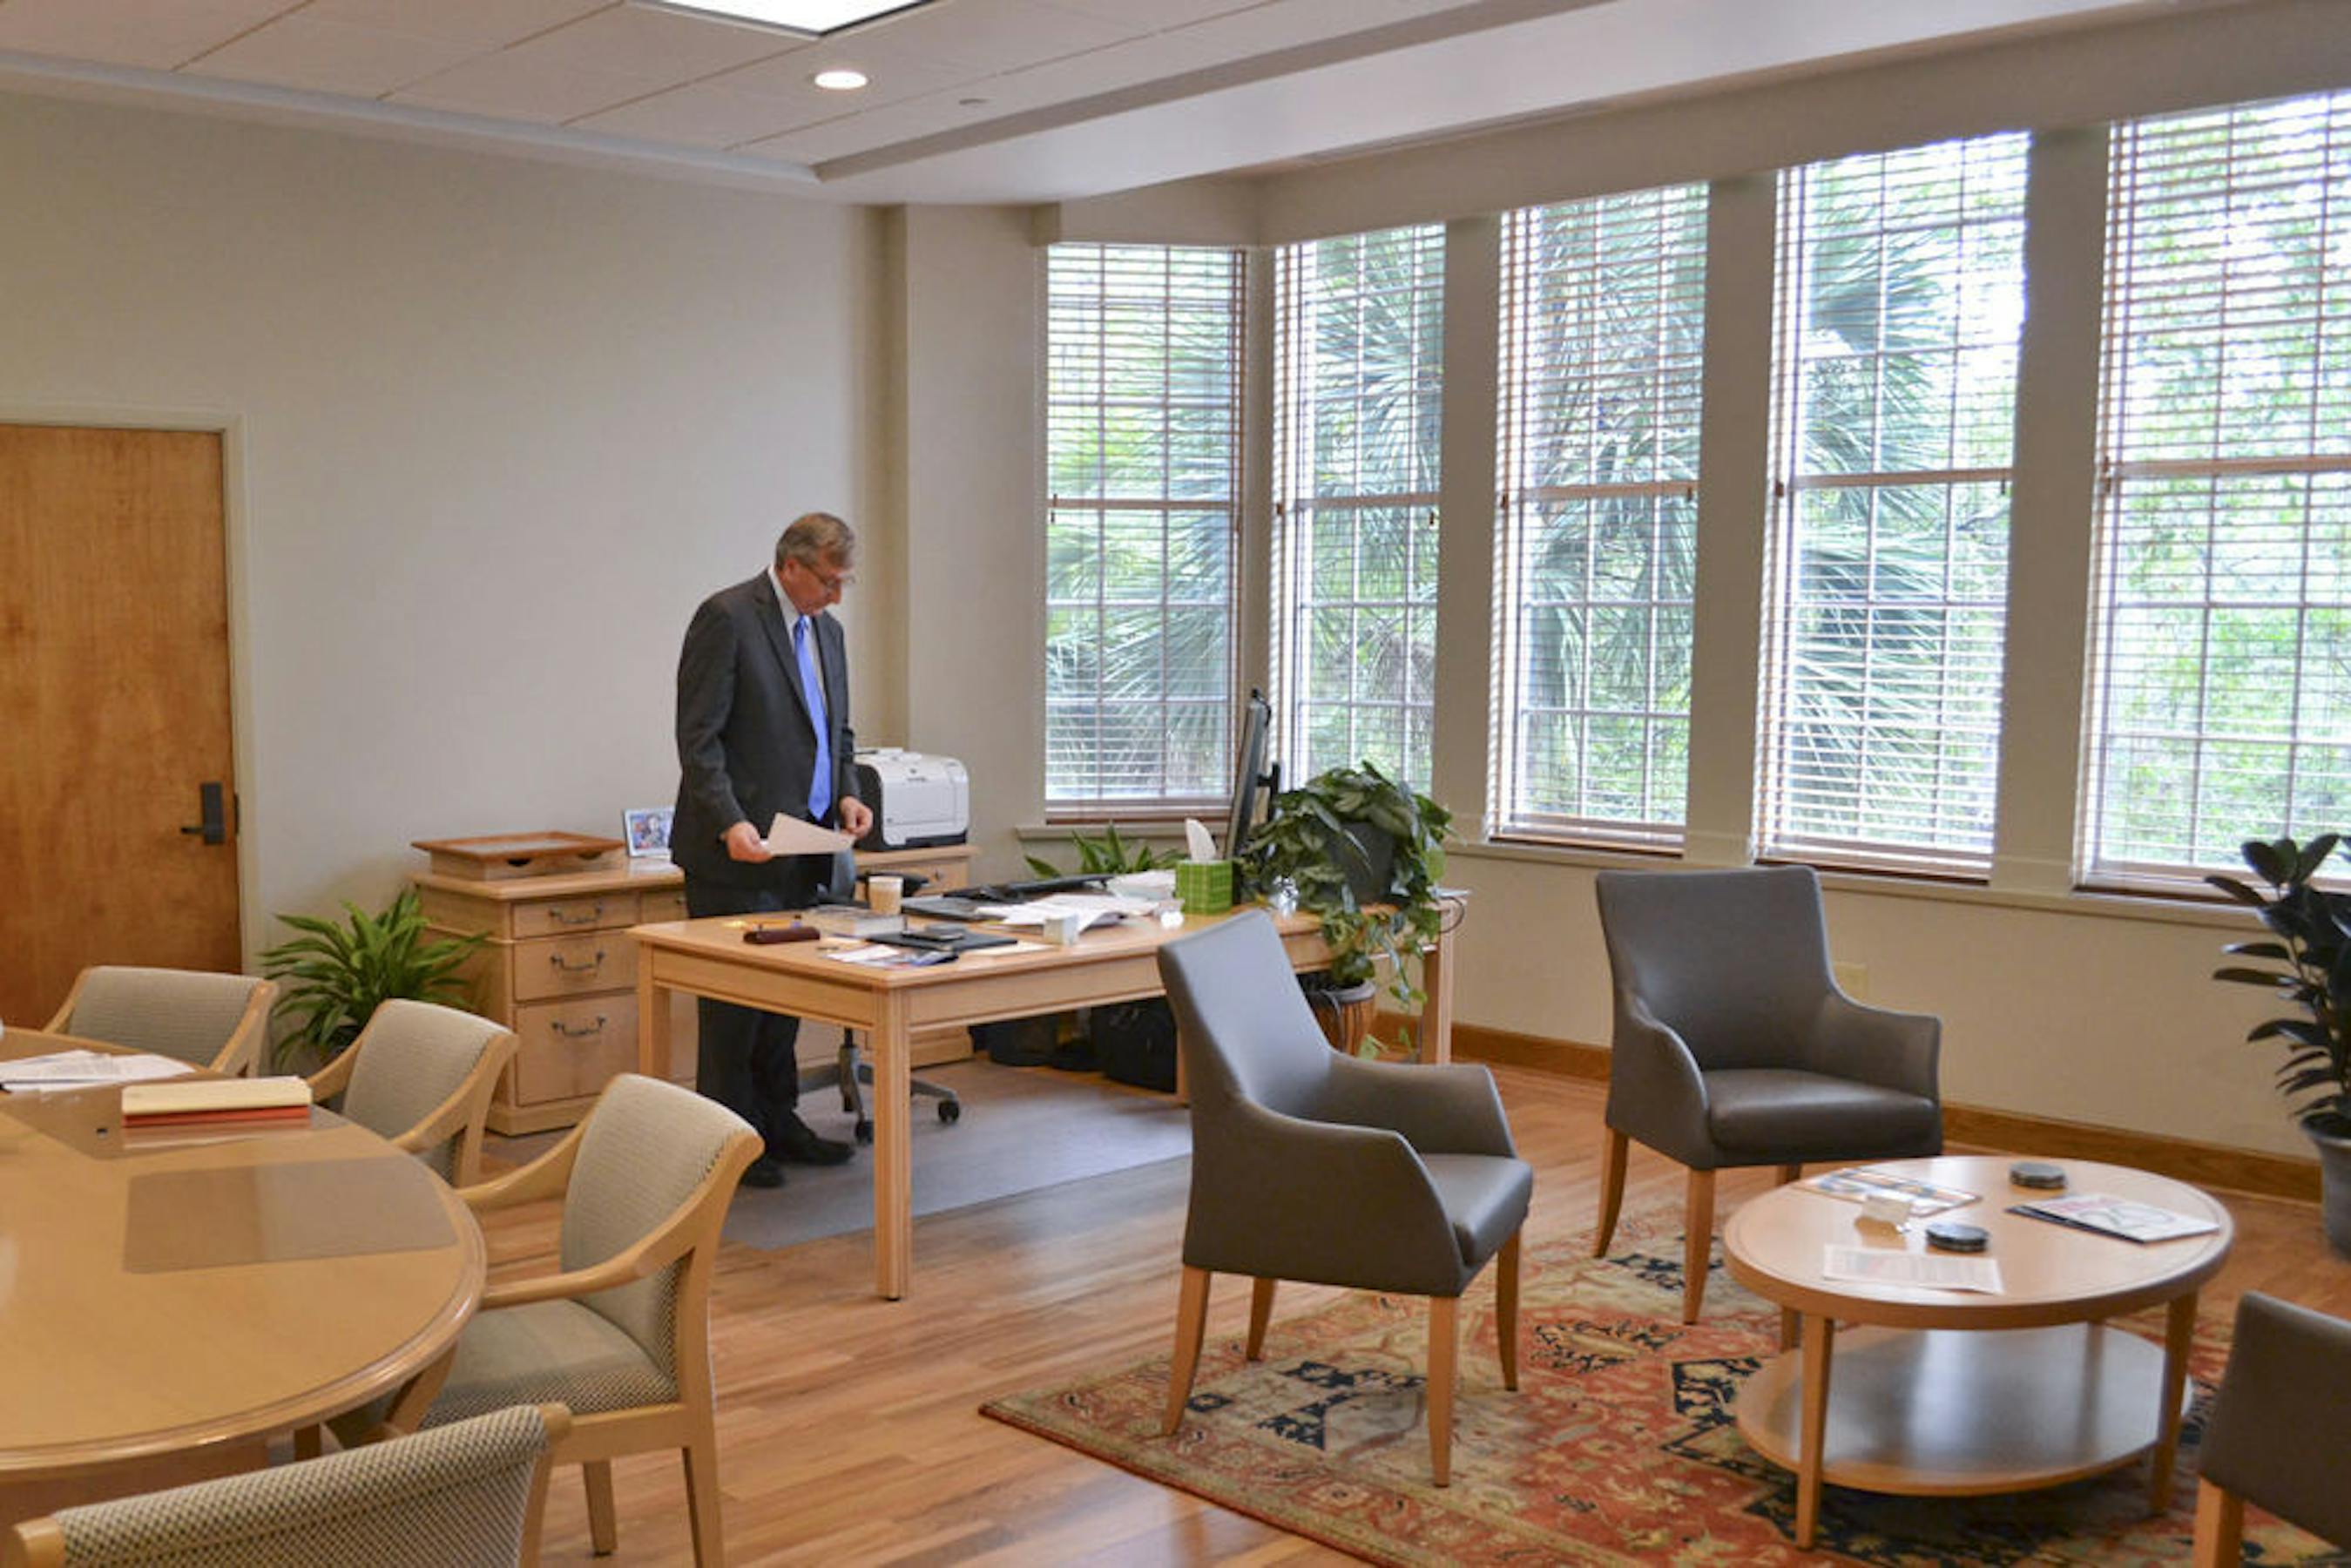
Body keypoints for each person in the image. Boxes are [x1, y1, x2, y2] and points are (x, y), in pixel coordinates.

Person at [672, 513, 875, 1189]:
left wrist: (846, 793)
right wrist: (728, 821)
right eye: (828, 580)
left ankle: (778, 1123)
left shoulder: (828, 632)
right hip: (736, 851)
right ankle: (729, 1144)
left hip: (803, 846)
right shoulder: (728, 618)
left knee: (782, 1001)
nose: (836, 595)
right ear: (790, 565)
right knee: (733, 1010)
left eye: (844, 583)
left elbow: (837, 732)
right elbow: (699, 739)